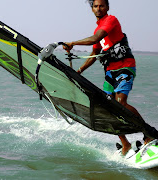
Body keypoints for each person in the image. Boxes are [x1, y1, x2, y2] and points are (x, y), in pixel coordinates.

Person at [63, 0, 152, 155]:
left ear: (107, 7)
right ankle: (125, 144)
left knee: (121, 103)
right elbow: (93, 55)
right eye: (96, 6)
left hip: (125, 67)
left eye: (102, 5)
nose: (99, 9)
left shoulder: (110, 21)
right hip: (110, 72)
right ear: (92, 9)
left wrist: (72, 43)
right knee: (108, 108)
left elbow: (95, 39)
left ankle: (148, 135)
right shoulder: (98, 28)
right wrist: (79, 70)